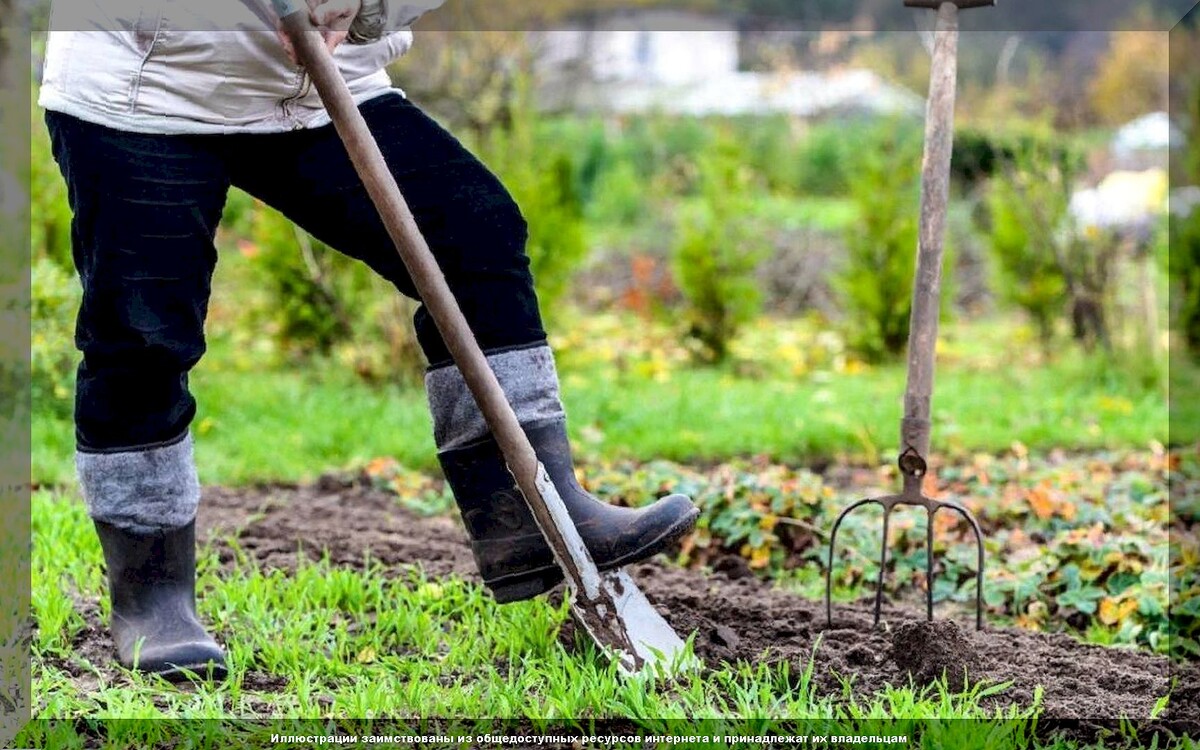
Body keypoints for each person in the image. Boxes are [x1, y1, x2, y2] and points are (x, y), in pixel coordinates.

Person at [40, 0, 699, 681]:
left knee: (471, 234)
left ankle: (530, 512)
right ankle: (152, 594)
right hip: (144, 90)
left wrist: (364, 5)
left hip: (321, 89)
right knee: (145, 332)